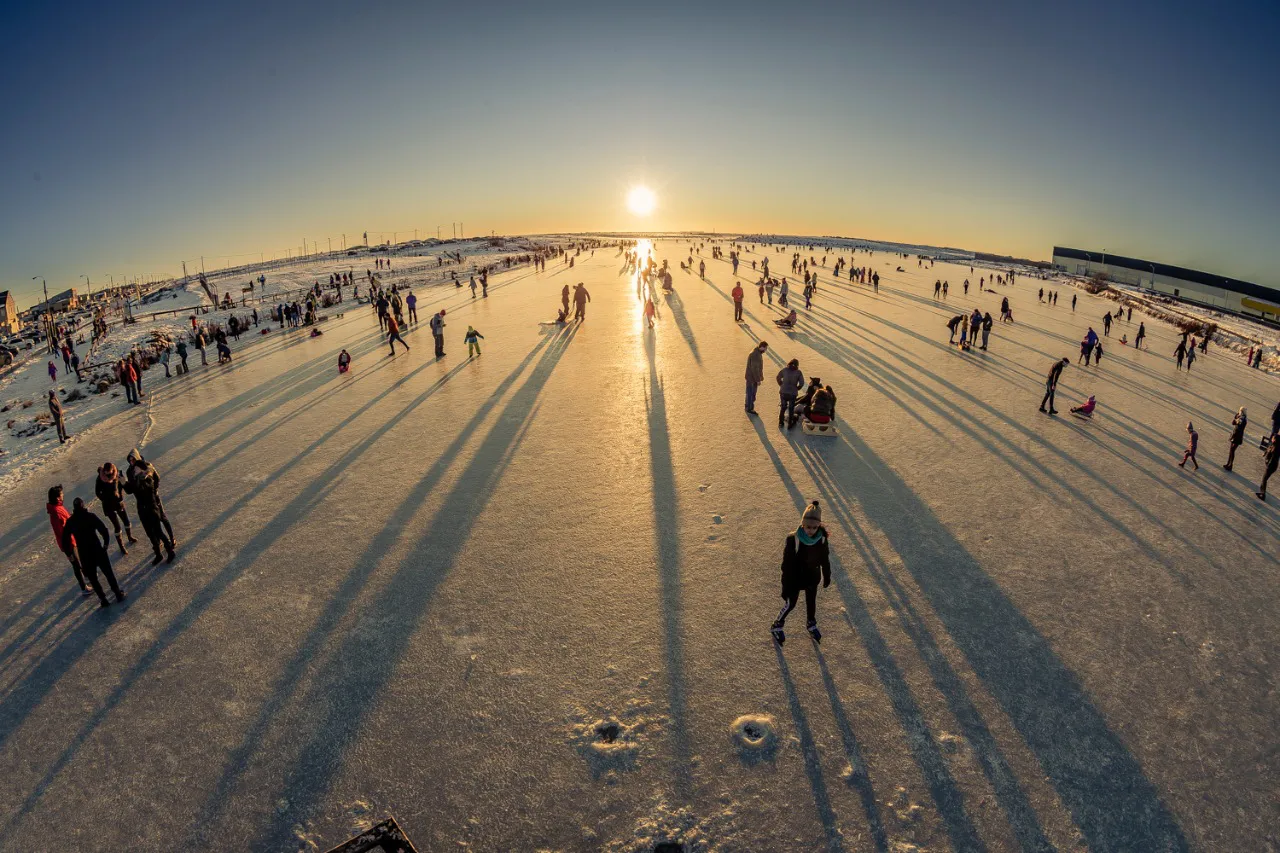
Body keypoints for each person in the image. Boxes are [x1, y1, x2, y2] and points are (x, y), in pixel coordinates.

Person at [770, 500, 830, 644]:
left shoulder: (821, 539)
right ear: (803, 524)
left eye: (815, 527)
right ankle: (777, 624)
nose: (811, 530)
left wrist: (827, 575)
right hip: (795, 579)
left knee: (811, 601)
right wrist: (786, 584)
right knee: (791, 604)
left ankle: (811, 622)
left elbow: (824, 558)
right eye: (808, 527)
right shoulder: (793, 539)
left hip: (812, 577)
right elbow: (786, 565)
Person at [62, 498, 125, 608]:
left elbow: (65, 539)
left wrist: (70, 554)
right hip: (97, 549)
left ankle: (103, 599)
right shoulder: (90, 516)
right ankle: (117, 593)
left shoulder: (71, 521)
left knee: (93, 579)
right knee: (108, 573)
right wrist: (105, 544)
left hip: (84, 553)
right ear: (83, 505)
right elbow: (104, 530)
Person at [124, 448, 176, 564]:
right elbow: (130, 490)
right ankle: (158, 554)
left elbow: (143, 487)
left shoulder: (148, 479)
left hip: (152, 506)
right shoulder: (132, 474)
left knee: (158, 530)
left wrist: (139, 481)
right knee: (149, 533)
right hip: (141, 508)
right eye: (130, 460)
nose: (132, 465)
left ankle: (170, 550)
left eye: (134, 461)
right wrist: (122, 481)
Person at [47, 485, 89, 595]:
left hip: (72, 539)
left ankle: (87, 576)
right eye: (61, 494)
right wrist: (67, 550)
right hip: (68, 543)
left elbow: (67, 520)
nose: (63, 495)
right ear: (57, 498)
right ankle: (83, 587)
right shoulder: (56, 512)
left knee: (79, 560)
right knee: (76, 564)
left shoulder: (58, 507)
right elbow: (61, 532)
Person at [96, 462, 137, 554]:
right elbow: (97, 492)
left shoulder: (117, 474)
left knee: (126, 521)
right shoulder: (100, 478)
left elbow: (124, 485)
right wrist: (105, 499)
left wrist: (121, 492)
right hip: (108, 506)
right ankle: (121, 546)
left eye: (109, 472)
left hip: (118, 503)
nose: (107, 474)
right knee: (117, 526)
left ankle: (129, 537)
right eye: (106, 472)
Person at [777, 358, 804, 428]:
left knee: (783, 407)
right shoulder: (798, 372)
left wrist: (781, 384)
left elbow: (778, 377)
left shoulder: (785, 370)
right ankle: (790, 423)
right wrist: (798, 388)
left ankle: (781, 422)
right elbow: (802, 383)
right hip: (792, 393)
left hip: (783, 392)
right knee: (791, 408)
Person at [745, 341, 767, 415]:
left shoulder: (756, 352)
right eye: (765, 348)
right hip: (752, 379)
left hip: (750, 377)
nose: (766, 350)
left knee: (749, 392)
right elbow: (755, 369)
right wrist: (758, 380)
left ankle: (747, 406)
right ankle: (750, 408)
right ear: (762, 347)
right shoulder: (755, 355)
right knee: (751, 393)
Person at [1259, 437, 1280, 501]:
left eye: (1273, 438)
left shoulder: (1276, 449)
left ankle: (1263, 495)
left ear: (1276, 440)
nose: (1272, 439)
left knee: (1264, 479)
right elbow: (1268, 449)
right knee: (1264, 479)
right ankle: (1262, 492)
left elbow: (1273, 459)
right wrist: (1265, 453)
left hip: (1271, 466)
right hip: (1272, 466)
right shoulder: (1273, 445)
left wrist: (1268, 464)